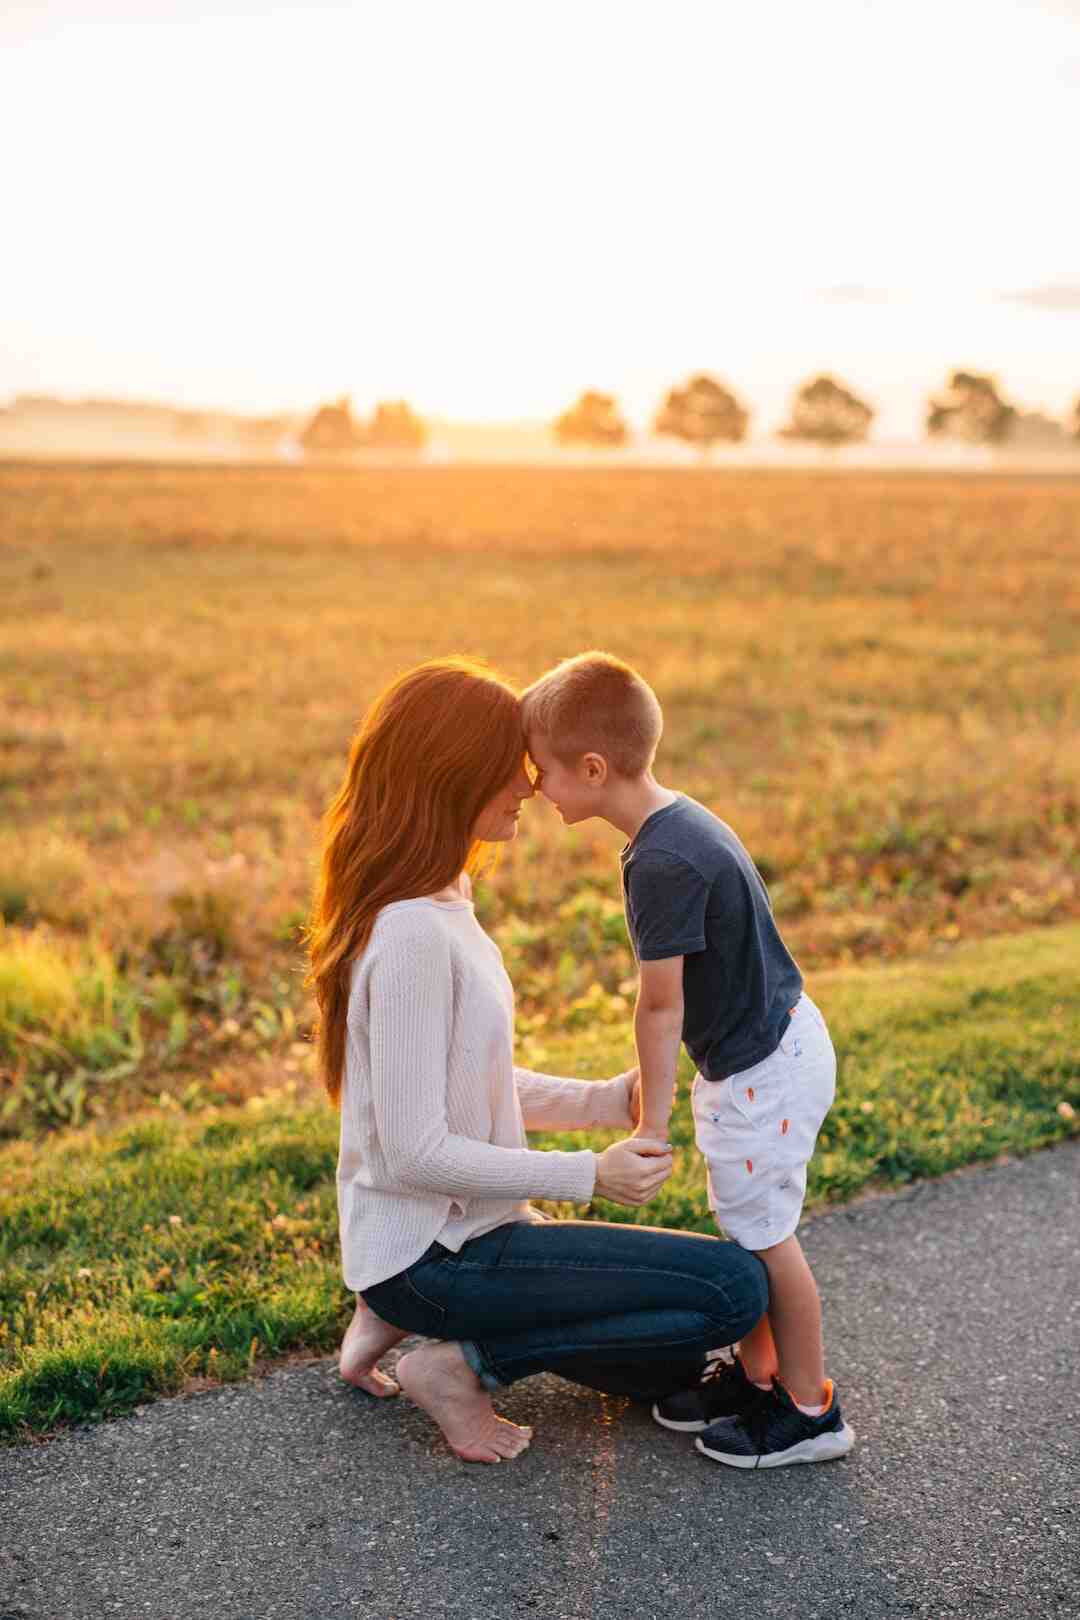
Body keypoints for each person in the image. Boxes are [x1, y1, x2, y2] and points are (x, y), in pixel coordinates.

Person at [305, 657, 769, 1464]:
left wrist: (602, 1099)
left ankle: (386, 1313)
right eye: (510, 766)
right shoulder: (414, 934)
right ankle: (456, 1362)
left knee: (668, 1368)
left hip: (441, 1240)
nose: (528, 785)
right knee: (732, 1292)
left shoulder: (441, 896)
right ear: (452, 779)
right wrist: (590, 1173)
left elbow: (466, 1084)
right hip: (441, 1253)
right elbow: (417, 1152)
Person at [521, 651, 854, 1469]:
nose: (535, 787)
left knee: (767, 1239)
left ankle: (810, 1411)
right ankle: (758, 1375)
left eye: (543, 771)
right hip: (770, 1047)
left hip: (761, 1070)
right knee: (747, 1230)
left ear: (593, 768)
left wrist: (651, 1124)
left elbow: (660, 1005)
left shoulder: (659, 861)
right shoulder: (679, 821)